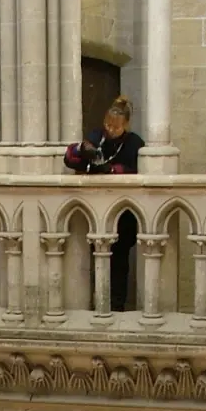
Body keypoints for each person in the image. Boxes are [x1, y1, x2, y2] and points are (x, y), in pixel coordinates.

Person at [64, 95, 144, 311]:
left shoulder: (134, 142)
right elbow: (70, 159)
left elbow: (137, 171)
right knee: (92, 259)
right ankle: (95, 304)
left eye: (115, 127)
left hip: (122, 213)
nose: (110, 130)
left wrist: (110, 170)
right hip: (94, 208)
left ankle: (116, 306)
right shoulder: (97, 136)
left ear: (125, 125)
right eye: (107, 124)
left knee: (119, 261)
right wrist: (82, 149)